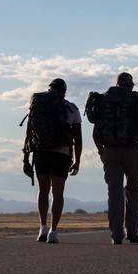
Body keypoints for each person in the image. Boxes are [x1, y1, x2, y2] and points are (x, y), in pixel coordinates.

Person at [92, 72, 138, 244]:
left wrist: (101, 152)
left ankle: (116, 234)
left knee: (114, 193)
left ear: (117, 84)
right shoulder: (137, 99)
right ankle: (132, 232)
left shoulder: (104, 99)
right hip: (133, 150)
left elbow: (95, 132)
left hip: (110, 151)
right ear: (131, 85)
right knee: (134, 190)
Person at [21, 78, 82, 244]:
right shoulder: (71, 108)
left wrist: (26, 159)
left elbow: (28, 135)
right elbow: (78, 137)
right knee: (58, 193)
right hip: (62, 154)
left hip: (41, 153)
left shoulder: (37, 105)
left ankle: (42, 227)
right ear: (64, 91)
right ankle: (53, 232)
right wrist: (77, 160)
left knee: (43, 191)